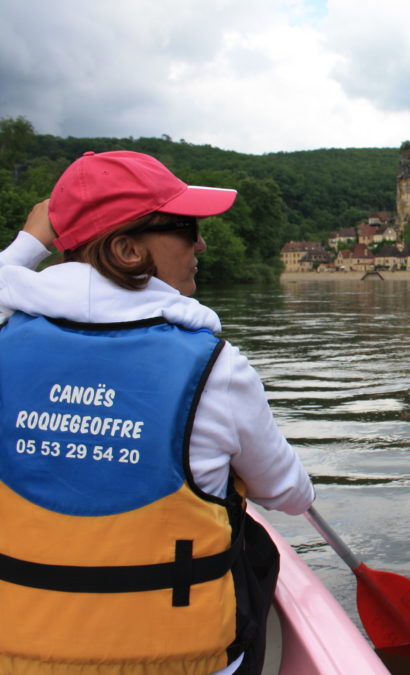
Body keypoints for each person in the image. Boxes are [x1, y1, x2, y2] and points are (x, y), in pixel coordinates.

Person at [0, 151, 315, 674]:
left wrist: (30, 242)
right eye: (186, 228)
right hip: (183, 661)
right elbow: (288, 494)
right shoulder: (218, 369)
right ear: (126, 249)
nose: (201, 243)